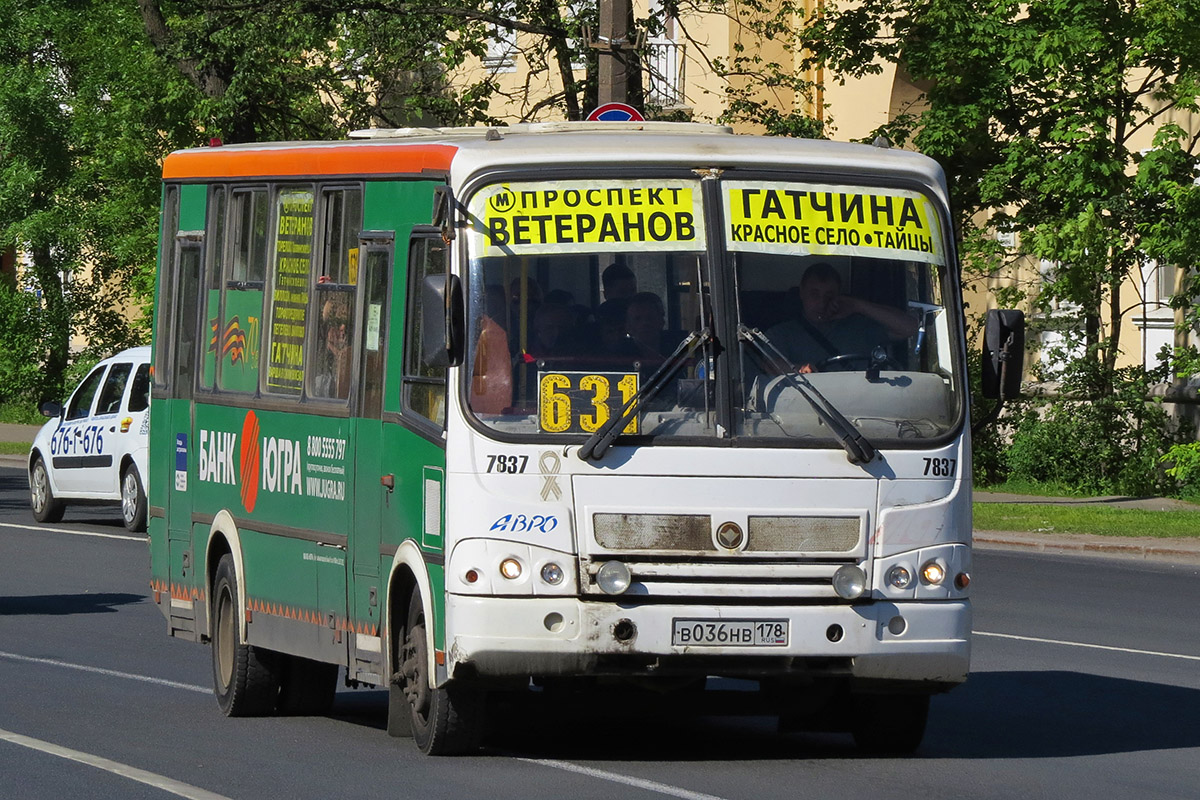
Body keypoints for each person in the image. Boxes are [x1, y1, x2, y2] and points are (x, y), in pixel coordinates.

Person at [765, 262, 917, 373]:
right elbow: (769, 363)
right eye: (814, 294)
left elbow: (909, 328)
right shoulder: (782, 334)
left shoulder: (860, 328)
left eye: (829, 295)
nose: (822, 302)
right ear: (801, 293)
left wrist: (858, 305)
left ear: (839, 295)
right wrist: (798, 369)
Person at [314, 291, 352, 398]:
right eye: (338, 323)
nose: (343, 329)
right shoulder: (318, 352)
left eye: (347, 324)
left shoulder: (349, 352)